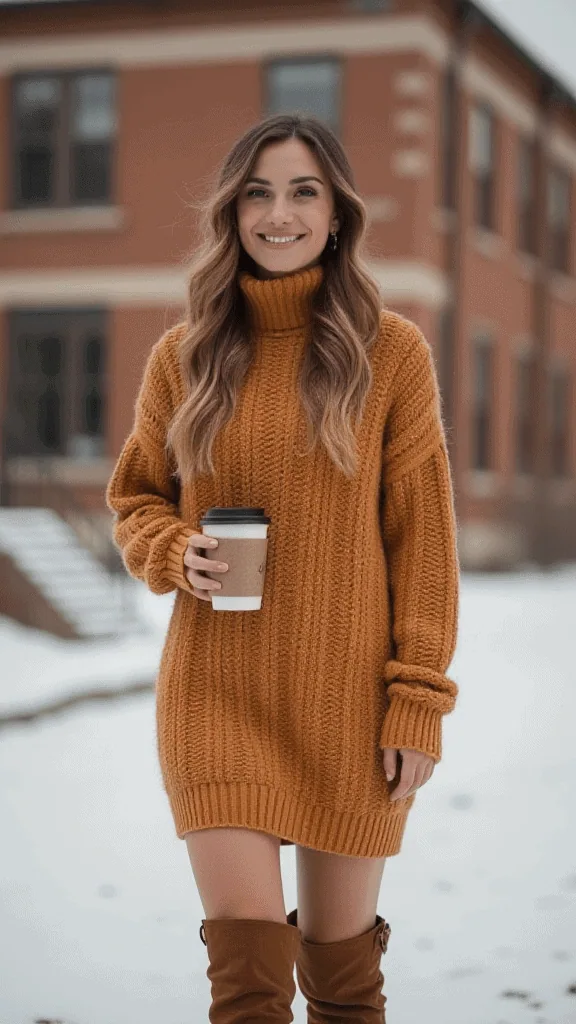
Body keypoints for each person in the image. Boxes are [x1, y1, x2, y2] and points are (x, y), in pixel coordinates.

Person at [106, 113, 460, 1022]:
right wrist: (174, 551)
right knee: (250, 981)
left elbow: (423, 543)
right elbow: (136, 498)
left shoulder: (391, 355)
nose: (279, 213)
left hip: (348, 700)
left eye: (304, 191)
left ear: (338, 213)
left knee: (342, 982)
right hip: (216, 690)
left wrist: (417, 697)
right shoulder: (183, 356)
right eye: (257, 193)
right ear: (231, 214)